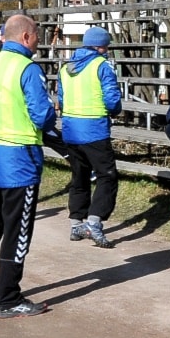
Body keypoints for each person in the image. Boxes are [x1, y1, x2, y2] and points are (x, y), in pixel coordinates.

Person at [0, 13, 54, 318]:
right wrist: (51, 114)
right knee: (17, 231)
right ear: (26, 37)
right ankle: (8, 299)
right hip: (19, 158)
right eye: (37, 36)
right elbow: (41, 115)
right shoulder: (27, 68)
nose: (38, 42)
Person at [58, 25, 122, 248]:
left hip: (70, 129)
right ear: (101, 47)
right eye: (106, 47)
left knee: (79, 177)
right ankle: (94, 222)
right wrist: (115, 111)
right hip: (94, 129)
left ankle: (76, 223)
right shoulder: (101, 66)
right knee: (107, 176)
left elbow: (61, 99)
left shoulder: (66, 67)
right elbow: (111, 99)